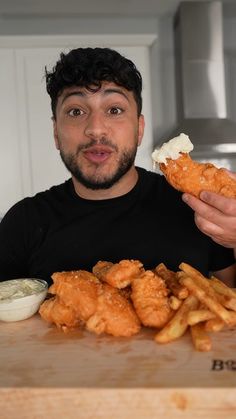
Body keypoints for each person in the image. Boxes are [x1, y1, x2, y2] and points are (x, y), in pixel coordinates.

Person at [0, 47, 235, 286]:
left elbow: (231, 293)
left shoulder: (200, 209)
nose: (96, 129)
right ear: (56, 133)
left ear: (139, 129)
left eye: (114, 110)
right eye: (76, 111)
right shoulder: (23, 222)